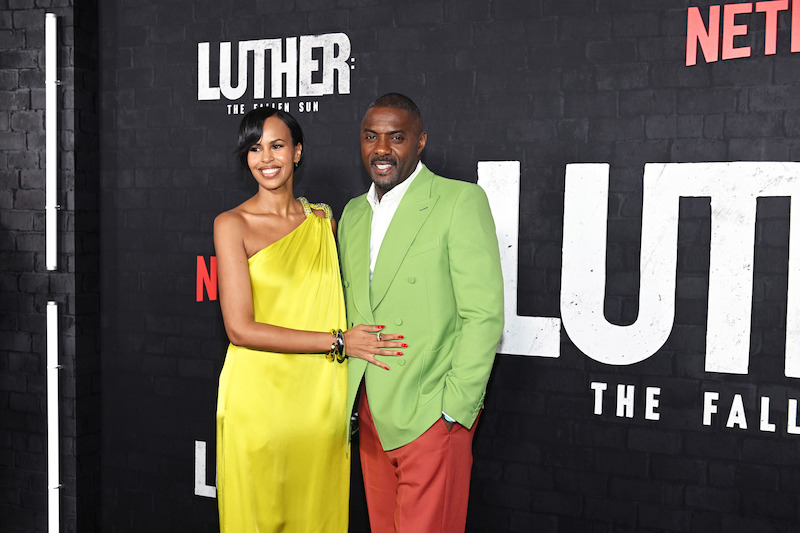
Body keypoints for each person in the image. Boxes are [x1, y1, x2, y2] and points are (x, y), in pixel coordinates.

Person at [213, 107, 404, 533]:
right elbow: (240, 329)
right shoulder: (232, 224)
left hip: (319, 402)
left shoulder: (323, 221)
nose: (266, 158)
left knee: (316, 517)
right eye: (255, 148)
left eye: (277, 145)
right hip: (257, 401)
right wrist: (339, 342)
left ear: (297, 152)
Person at [338, 93, 504, 532]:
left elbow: (483, 314)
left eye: (397, 137)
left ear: (420, 141)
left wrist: (453, 409)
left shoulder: (458, 201)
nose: (382, 149)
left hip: (432, 412)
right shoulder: (352, 215)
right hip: (370, 412)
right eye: (371, 136)